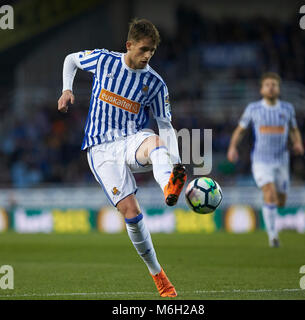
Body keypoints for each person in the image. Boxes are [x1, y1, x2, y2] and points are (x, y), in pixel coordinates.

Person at [57, 18, 187, 297]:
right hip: (100, 149)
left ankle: (169, 185)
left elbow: (165, 126)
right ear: (128, 45)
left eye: (152, 50)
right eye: (143, 49)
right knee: (132, 213)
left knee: (153, 140)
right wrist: (67, 89)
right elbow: (71, 59)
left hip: (131, 139)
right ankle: (158, 275)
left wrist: (176, 163)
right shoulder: (104, 61)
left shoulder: (155, 83)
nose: (148, 55)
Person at [227, 72, 304, 247]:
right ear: (262, 89)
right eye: (267, 85)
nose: (271, 87)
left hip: (282, 160)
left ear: (279, 89)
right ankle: (273, 237)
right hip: (261, 161)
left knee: (281, 201)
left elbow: (293, 129)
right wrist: (232, 147)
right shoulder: (253, 109)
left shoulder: (287, 109)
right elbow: (240, 130)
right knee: (269, 192)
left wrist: (297, 142)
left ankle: (271, 216)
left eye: (274, 85)